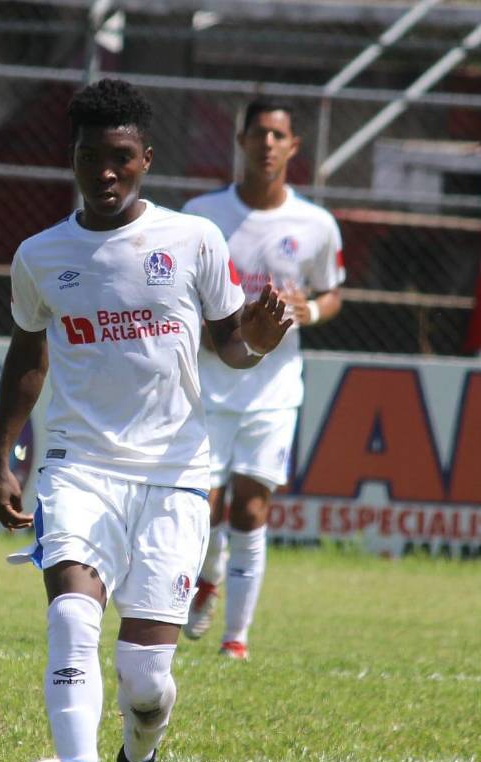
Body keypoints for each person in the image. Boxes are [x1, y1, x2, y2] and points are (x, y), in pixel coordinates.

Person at [0, 79, 291, 762]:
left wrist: (256, 337)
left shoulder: (193, 241)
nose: (107, 173)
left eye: (122, 158)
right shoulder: (40, 255)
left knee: (147, 680)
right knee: (70, 617)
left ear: (146, 159)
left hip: (175, 477)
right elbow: (28, 355)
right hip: (77, 466)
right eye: (93, 158)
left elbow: (230, 348)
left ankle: (136, 759)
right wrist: (4, 452)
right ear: (76, 161)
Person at [182, 98, 345, 659]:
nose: (268, 144)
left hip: (273, 389)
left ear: (294, 147)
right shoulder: (201, 216)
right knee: (199, 508)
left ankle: (236, 639)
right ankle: (207, 574)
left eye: (279, 135)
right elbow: (178, 294)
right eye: (260, 133)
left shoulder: (315, 224)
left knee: (251, 508)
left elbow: (332, 292)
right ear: (242, 140)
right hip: (210, 382)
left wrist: (312, 311)